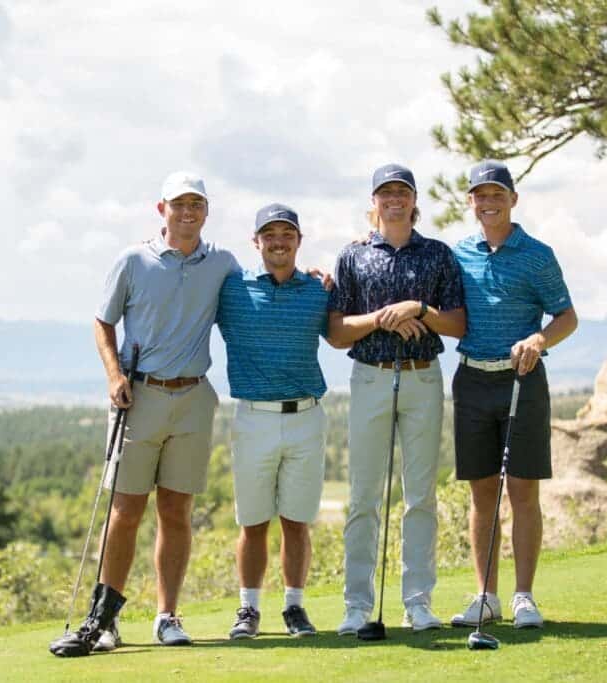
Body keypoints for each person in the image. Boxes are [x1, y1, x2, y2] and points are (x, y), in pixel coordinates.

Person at [57, 171, 240, 655]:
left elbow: (262, 290)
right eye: (178, 204)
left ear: (206, 210)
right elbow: (103, 320)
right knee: (125, 512)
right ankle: (106, 619)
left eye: (196, 204)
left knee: (177, 512)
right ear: (161, 210)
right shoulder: (132, 260)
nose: (187, 212)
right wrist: (114, 375)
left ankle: (167, 615)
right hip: (139, 397)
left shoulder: (221, 262)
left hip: (194, 398)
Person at [329, 164, 466, 635]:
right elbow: (337, 332)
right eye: (385, 193)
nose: (393, 200)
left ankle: (418, 602)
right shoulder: (352, 256)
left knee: (420, 496)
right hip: (370, 378)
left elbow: (458, 324)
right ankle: (356, 605)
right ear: (374, 202)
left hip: (423, 378)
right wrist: (385, 317)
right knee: (364, 497)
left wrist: (421, 310)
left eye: (401, 193)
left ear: (413, 201)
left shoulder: (438, 255)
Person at [449, 160, 577, 630]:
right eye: (480, 195)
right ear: (470, 202)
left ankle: (524, 596)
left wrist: (540, 339)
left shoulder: (537, 255)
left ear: (513, 200)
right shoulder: (458, 253)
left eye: (497, 194)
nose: (488, 202)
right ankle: (486, 596)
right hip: (472, 381)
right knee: (482, 495)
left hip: (523, 379)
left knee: (523, 490)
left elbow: (566, 316)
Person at [216, 203, 348, 640]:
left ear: (298, 241)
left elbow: (339, 332)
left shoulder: (317, 291)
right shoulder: (231, 290)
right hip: (254, 418)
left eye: (286, 234)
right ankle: (248, 609)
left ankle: (294, 607)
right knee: (253, 522)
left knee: (296, 520)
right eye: (269, 234)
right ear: (256, 242)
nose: (278, 242)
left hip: (306, 416)